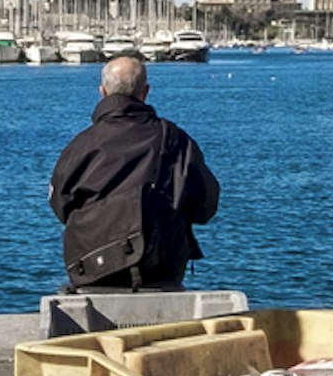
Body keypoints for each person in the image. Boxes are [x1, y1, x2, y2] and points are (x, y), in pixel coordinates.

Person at [49, 52, 220, 291]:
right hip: (160, 270)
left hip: (90, 268)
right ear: (146, 91)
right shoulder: (175, 141)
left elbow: (60, 205)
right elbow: (205, 206)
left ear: (102, 92)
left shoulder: (81, 146)